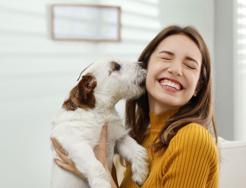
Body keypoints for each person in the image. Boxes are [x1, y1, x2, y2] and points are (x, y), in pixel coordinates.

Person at [51, 25, 219, 188]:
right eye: (166, 57)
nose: (176, 70)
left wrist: (100, 168)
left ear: (198, 86)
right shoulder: (143, 139)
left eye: (190, 65)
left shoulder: (193, 139)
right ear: (146, 66)